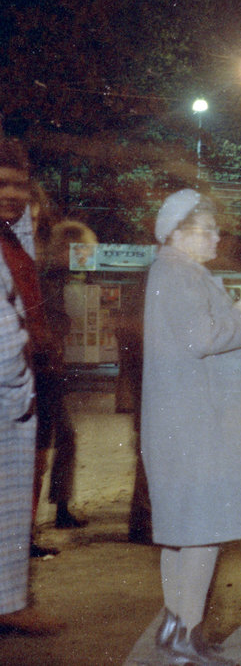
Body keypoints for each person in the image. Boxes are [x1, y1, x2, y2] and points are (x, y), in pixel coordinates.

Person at [142, 189, 241, 666]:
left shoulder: (172, 271)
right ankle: (186, 638)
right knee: (203, 527)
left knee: (182, 529)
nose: (216, 236)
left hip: (185, 421)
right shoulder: (178, 274)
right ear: (176, 234)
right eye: (206, 229)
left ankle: (175, 627)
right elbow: (203, 338)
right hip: (196, 426)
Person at [0, 137, 63, 635]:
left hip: (23, 387)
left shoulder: (15, 241)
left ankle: (10, 599)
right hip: (9, 387)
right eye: (1, 183)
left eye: (19, 185)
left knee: (17, 499)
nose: (12, 194)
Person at [33, 219, 98, 533]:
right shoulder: (46, 277)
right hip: (39, 369)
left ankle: (58, 508)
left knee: (59, 439)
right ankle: (53, 511)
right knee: (50, 441)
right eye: (83, 251)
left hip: (47, 368)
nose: (86, 259)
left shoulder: (57, 277)